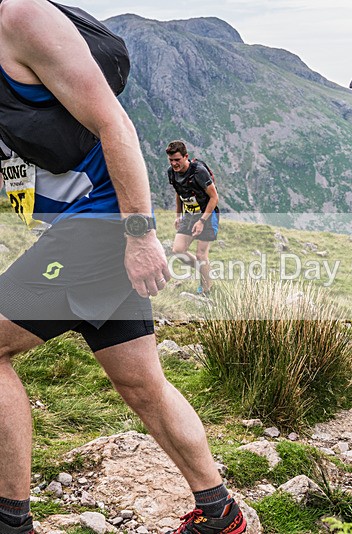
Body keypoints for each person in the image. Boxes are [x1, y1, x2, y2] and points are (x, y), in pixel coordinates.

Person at [0, 2, 245, 534]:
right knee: (142, 384)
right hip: (79, 230)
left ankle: (11, 522)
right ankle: (219, 513)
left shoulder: (20, 18)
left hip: (103, 226)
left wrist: (140, 235)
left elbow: (117, 124)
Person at [165, 141, 220, 295]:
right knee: (178, 250)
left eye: (177, 160)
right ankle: (206, 271)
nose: (174, 164)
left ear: (186, 157)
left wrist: (202, 221)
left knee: (201, 255)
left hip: (207, 214)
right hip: (189, 214)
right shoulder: (172, 172)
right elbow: (179, 192)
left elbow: (214, 198)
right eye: (171, 160)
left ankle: (207, 292)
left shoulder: (199, 172)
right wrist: (178, 215)